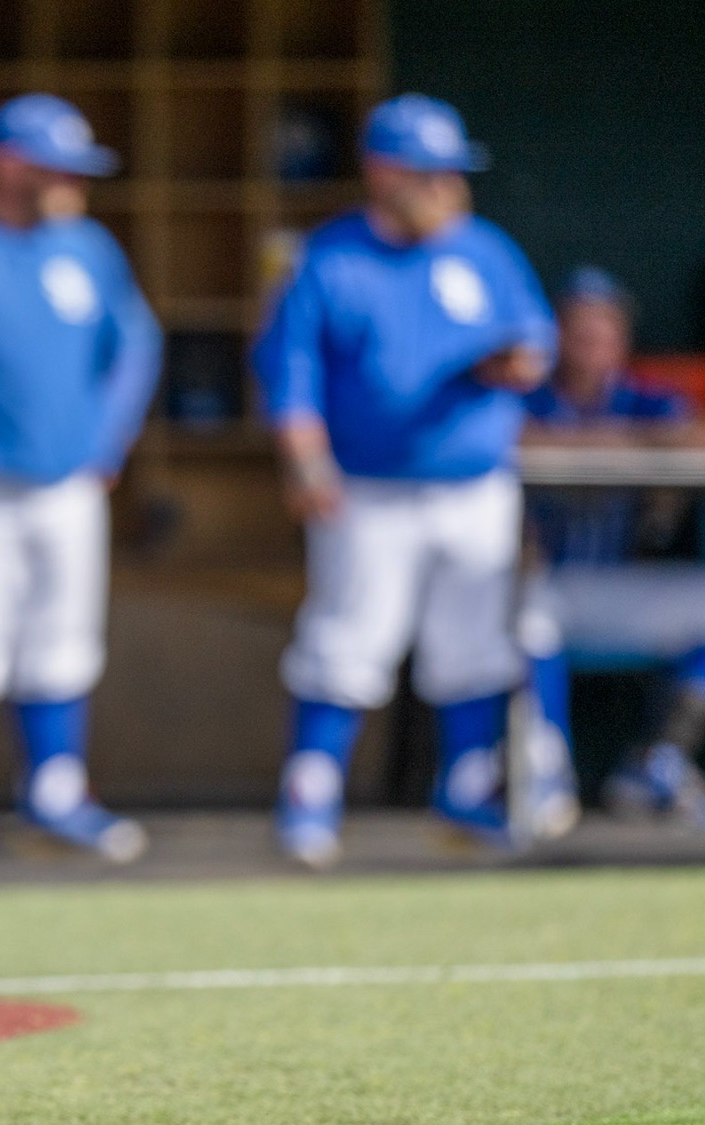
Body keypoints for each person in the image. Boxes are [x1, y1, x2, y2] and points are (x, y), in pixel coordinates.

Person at [256, 94, 556, 870]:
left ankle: (466, 790)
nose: (446, 185)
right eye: (428, 171)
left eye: (451, 171)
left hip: (474, 481)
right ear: (382, 172)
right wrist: (308, 462)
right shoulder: (330, 258)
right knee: (347, 641)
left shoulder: (482, 249)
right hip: (367, 487)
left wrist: (514, 361)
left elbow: (536, 342)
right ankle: (310, 800)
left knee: (473, 645)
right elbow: (292, 376)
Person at [0, 93, 162, 869]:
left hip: (70, 481)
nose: (74, 183)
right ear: (10, 164)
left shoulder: (87, 247)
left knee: (64, 640)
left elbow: (136, 344)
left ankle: (55, 793)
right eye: (58, 167)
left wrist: (108, 441)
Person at [519, 267, 705, 830]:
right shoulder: (530, 396)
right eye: (580, 332)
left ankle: (657, 761)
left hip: (622, 585)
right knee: (525, 612)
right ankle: (545, 773)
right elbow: (509, 437)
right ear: (556, 336)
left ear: (622, 339)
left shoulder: (642, 398)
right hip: (549, 585)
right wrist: (619, 444)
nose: (592, 346)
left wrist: (606, 442)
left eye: (604, 332)